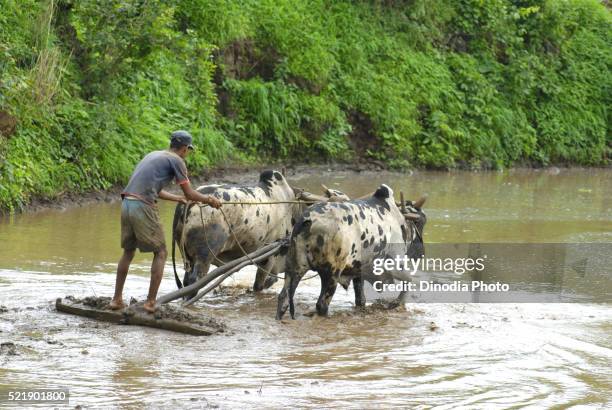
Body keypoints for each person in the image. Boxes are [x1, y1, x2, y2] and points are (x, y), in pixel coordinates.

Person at [109, 130, 222, 313]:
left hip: (127, 203)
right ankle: (151, 302)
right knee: (161, 252)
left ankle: (116, 299)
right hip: (143, 206)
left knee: (128, 252)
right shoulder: (178, 161)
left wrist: (177, 199)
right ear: (185, 149)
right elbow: (191, 193)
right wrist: (210, 200)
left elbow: (157, 191)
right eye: (188, 150)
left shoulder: (154, 155)